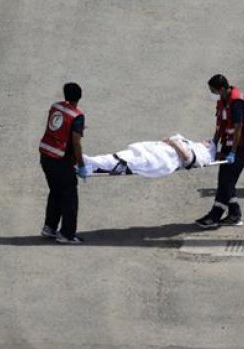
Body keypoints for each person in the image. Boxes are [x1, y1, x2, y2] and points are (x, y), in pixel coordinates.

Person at [196, 74, 244, 229]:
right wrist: (213, 145)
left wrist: (233, 152)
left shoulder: (236, 102)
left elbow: (238, 130)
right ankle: (235, 214)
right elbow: (220, 127)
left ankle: (215, 215)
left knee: (227, 181)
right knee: (225, 179)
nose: (212, 93)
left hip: (241, 145)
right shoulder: (223, 101)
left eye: (213, 90)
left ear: (221, 88)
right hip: (229, 144)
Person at [38, 82, 85, 244]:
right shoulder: (77, 116)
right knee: (69, 197)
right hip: (61, 161)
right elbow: (76, 143)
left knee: (55, 192)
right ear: (80, 96)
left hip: (45, 156)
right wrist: (82, 165)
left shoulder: (56, 107)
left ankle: (49, 227)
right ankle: (67, 234)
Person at [84, 134, 216, 178]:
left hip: (163, 158)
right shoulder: (193, 144)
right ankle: (90, 163)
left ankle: (88, 163)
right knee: (125, 156)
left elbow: (188, 160)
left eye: (208, 141)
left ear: (210, 148)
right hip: (157, 150)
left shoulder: (203, 155)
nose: (205, 140)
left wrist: (173, 142)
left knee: (129, 161)